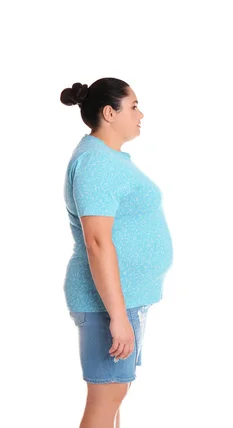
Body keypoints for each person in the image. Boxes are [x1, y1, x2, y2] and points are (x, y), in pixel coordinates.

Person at [61, 78, 173, 428]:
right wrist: (117, 315)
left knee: (113, 397)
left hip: (122, 299)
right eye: (134, 106)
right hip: (108, 303)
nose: (141, 114)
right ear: (110, 113)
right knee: (105, 400)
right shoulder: (96, 163)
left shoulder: (107, 158)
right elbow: (96, 242)